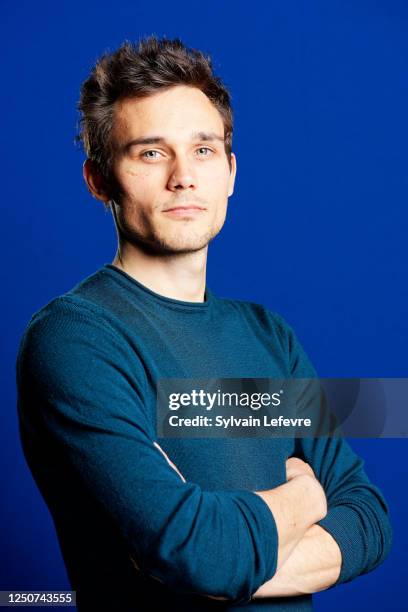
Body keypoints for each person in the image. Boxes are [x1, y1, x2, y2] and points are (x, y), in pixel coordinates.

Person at [16, 36, 392, 611]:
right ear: (99, 180)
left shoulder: (269, 336)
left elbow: (368, 518)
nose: (183, 177)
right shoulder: (75, 338)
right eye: (150, 153)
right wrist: (306, 497)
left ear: (231, 171)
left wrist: (226, 555)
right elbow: (200, 552)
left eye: (204, 150)